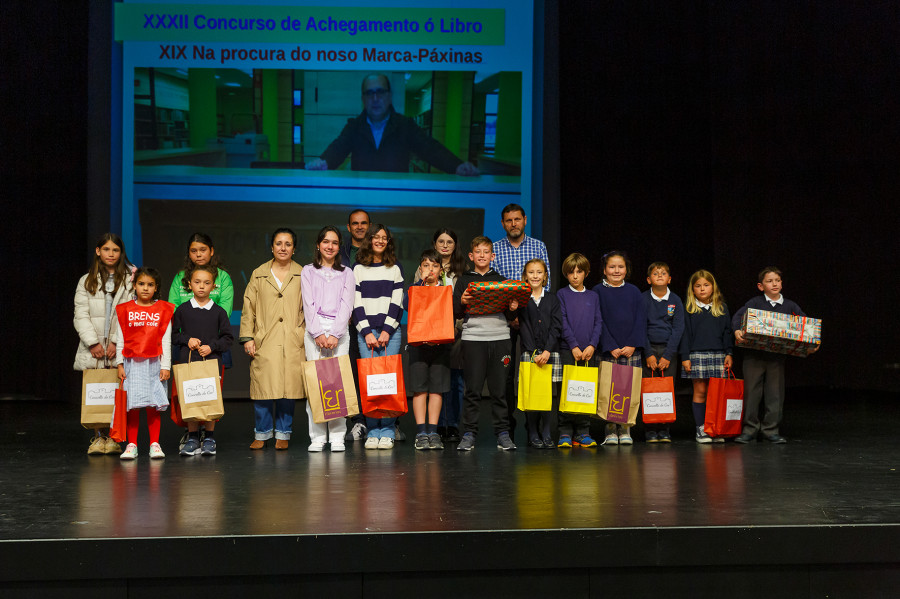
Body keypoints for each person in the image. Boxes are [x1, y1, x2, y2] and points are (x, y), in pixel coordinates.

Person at [305, 73, 479, 176]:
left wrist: (457, 165)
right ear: (363, 99)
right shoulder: (354, 127)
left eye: (380, 92)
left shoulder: (405, 125)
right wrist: (323, 162)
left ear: (389, 96)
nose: (375, 99)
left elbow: (430, 149)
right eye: (369, 93)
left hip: (397, 199)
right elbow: (338, 148)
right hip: (361, 200)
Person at [239, 228, 307, 450]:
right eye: (279, 243)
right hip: (265, 339)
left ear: (294, 249)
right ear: (272, 247)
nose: (283, 248)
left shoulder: (303, 274)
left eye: (288, 244)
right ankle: (262, 433)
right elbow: (248, 307)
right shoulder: (259, 273)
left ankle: (283, 434)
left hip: (292, 338)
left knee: (288, 389)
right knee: (263, 389)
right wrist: (248, 337)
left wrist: (303, 332)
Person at [167, 232, 234, 449]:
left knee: (211, 391)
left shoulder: (223, 278)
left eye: (203, 250)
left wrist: (210, 343)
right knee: (188, 391)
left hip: (212, 347)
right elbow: (173, 309)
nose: (198, 254)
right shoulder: (179, 278)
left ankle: (209, 436)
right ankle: (192, 435)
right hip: (188, 348)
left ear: (211, 251)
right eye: (194, 250)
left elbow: (225, 310)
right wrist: (187, 338)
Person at [732, 267, 813, 444]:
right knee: (751, 393)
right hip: (754, 356)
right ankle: (749, 429)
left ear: (781, 283)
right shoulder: (754, 302)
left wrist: (811, 342)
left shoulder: (790, 306)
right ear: (761, 286)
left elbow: (805, 325)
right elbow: (738, 317)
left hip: (776, 358)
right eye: (769, 281)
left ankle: (771, 430)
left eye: (777, 280)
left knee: (774, 393)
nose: (774, 284)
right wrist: (737, 330)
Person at [491, 203, 551, 441]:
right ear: (503, 223)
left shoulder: (538, 246)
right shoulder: (495, 249)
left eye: (517, 219)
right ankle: (508, 425)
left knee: (533, 371)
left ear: (525, 220)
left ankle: (533, 424)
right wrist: (511, 316)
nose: (513, 224)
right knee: (505, 374)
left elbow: (545, 283)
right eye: (508, 220)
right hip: (505, 320)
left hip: (533, 320)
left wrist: (528, 317)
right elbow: (494, 288)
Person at [454, 236, 518, 451]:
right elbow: (455, 312)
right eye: (477, 252)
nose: (482, 256)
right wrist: (461, 303)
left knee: (499, 390)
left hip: (500, 338)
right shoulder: (464, 280)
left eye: (486, 252)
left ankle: (503, 433)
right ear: (471, 256)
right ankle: (469, 433)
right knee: (472, 390)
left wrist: (513, 307)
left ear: (493, 256)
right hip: (473, 340)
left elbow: (510, 315)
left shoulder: (501, 280)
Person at [73, 233, 133, 455]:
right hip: (95, 347)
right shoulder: (86, 280)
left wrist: (117, 342)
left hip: (118, 346)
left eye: (115, 250)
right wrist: (92, 343)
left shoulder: (129, 279)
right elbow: (80, 314)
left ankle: (114, 437)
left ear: (121, 253)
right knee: (97, 390)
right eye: (106, 249)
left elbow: (130, 312)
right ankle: (99, 437)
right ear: (98, 251)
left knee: (117, 390)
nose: (111, 254)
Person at [301, 226, 356, 452]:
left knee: (337, 384)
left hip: (339, 333)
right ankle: (317, 437)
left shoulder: (347, 273)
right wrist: (318, 333)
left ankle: (337, 436)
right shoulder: (307, 271)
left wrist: (334, 333)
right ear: (318, 244)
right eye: (325, 241)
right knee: (315, 383)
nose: (329, 246)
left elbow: (347, 305)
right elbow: (308, 303)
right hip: (314, 332)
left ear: (338, 246)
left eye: (334, 242)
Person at [353, 224, 405, 449]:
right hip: (366, 335)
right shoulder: (358, 269)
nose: (380, 241)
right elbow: (356, 304)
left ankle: (388, 429)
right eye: (376, 237)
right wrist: (366, 332)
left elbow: (397, 304)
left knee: (388, 383)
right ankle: (373, 428)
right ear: (369, 240)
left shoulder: (394, 268)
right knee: (370, 382)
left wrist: (386, 330)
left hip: (390, 333)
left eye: (384, 238)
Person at [114, 267, 174, 460]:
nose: (145, 288)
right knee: (132, 405)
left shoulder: (163, 310)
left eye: (150, 285)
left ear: (156, 288)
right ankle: (132, 445)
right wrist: (120, 363)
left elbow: (166, 340)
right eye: (141, 284)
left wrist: (166, 366)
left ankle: (154, 443)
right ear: (134, 285)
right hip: (133, 364)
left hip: (154, 364)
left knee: (152, 404)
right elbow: (120, 339)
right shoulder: (126, 310)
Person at [592, 251, 647, 446]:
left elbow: (640, 320)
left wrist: (632, 344)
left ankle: (625, 428)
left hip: (630, 350)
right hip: (608, 350)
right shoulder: (597, 291)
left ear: (626, 269)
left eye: (620, 267)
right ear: (605, 270)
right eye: (612, 267)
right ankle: (609, 430)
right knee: (608, 389)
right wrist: (610, 345)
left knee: (626, 389)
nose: (616, 270)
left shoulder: (634, 291)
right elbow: (598, 320)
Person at [420, 228, 467, 443]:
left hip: (456, 331)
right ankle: (436, 425)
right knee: (435, 380)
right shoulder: (426, 266)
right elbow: (418, 298)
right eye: (441, 241)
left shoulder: (462, 269)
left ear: (455, 245)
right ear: (435, 243)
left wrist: (456, 326)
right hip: (430, 333)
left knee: (456, 379)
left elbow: (464, 301)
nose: (445, 245)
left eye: (450, 241)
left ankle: (453, 425)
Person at [405, 249, 453, 450]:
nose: (430, 269)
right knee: (419, 389)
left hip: (440, 346)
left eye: (434, 266)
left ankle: (433, 431)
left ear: (441, 270)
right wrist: (420, 284)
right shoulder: (414, 289)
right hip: (418, 345)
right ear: (420, 268)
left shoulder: (446, 290)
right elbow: (408, 307)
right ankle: (421, 432)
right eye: (426, 265)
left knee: (437, 389)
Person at [680, 269, 734, 444]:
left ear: (713, 287)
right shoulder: (689, 308)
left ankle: (714, 427)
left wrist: (729, 353)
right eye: (698, 286)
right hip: (696, 354)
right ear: (692, 289)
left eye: (706, 285)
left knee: (716, 393)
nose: (702, 289)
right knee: (700, 391)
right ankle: (701, 428)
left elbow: (727, 332)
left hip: (718, 354)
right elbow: (685, 335)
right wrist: (685, 357)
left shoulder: (721, 308)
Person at [556, 252, 602, 448]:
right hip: (569, 350)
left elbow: (598, 322)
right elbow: (563, 321)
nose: (575, 276)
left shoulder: (593, 296)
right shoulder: (562, 294)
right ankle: (565, 432)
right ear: (566, 274)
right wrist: (574, 346)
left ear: (586, 273)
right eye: (571, 272)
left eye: (579, 272)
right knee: (567, 391)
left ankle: (583, 432)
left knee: (585, 391)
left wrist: (592, 345)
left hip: (588, 352)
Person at [514, 258, 562, 449]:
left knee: (548, 395)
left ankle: (547, 432)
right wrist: (534, 352)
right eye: (531, 272)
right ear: (525, 276)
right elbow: (523, 327)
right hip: (530, 353)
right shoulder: (522, 301)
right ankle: (533, 432)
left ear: (545, 276)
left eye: (539, 272)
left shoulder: (552, 299)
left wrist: (547, 350)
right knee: (531, 394)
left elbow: (557, 326)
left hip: (550, 353)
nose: (535, 276)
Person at [642, 262, 685, 443]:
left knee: (667, 390)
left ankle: (664, 428)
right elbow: (640, 327)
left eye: (663, 273)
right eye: (655, 273)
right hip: (649, 349)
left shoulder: (675, 300)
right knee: (649, 390)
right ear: (648, 279)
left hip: (668, 351)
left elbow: (678, 328)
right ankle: (651, 429)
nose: (659, 275)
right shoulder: (643, 299)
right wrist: (649, 354)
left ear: (669, 279)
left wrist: (668, 355)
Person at [340, 209, 370, 442]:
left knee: (376, 371)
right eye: (355, 223)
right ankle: (358, 420)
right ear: (349, 227)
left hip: (374, 323)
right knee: (350, 373)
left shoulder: (381, 252)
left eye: (363, 223)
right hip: (347, 324)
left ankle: (385, 420)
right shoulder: (339, 254)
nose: (359, 227)